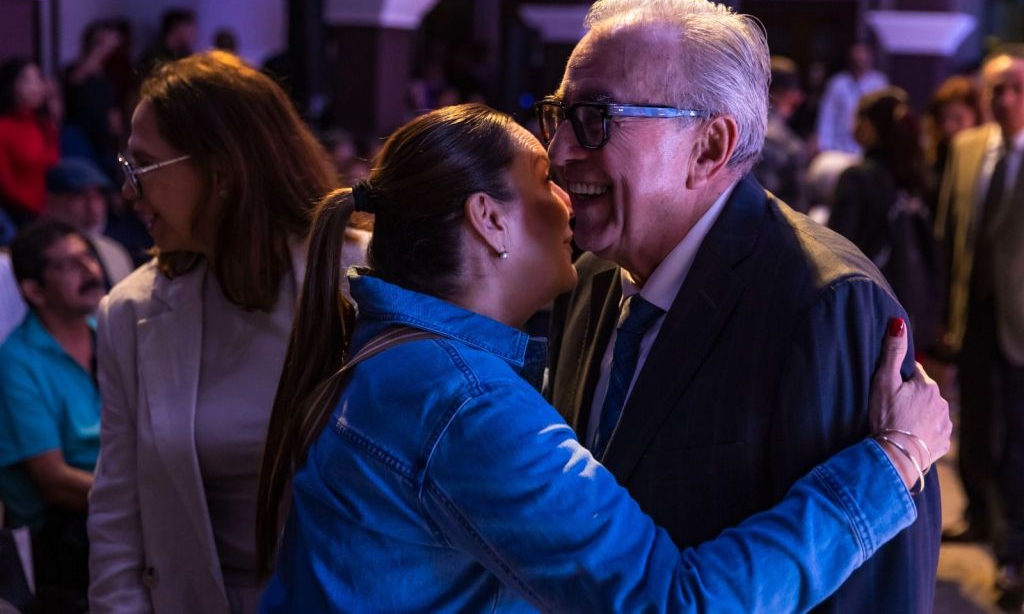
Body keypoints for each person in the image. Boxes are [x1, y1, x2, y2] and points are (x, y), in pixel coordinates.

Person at [256, 103, 949, 612]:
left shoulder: (404, 362)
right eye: (543, 179)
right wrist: (893, 461)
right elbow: (673, 604)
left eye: (595, 121)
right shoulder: (464, 403)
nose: (567, 189)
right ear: (489, 220)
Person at [540, 0, 940, 613]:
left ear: (708, 147)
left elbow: (868, 592)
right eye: (559, 115)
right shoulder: (589, 278)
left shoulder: (824, 305)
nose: (559, 151)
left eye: (595, 117)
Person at [87, 51, 338, 614]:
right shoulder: (129, 311)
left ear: (223, 171)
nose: (128, 191)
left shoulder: (356, 279)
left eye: (143, 167)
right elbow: (116, 520)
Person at [935, 44, 1024, 610]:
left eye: (1016, 88)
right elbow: (948, 236)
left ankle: (1013, 549)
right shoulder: (967, 149)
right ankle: (981, 517)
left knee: (1018, 438)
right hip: (973, 317)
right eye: (996, 89)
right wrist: (945, 313)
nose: (1006, 99)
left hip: (1021, 323)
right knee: (971, 429)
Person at [0, 220, 105, 613]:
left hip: (117, 506)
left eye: (88, 256)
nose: (89, 269)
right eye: (68, 265)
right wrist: (143, 498)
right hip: (65, 538)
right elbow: (53, 481)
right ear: (34, 291)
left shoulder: (109, 333)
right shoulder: (16, 362)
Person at [829, 87, 941, 351]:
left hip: (864, 304)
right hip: (909, 308)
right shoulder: (918, 178)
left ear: (869, 126)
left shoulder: (858, 178)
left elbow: (836, 248)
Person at [45, 157, 135, 287]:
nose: (92, 206)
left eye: (98, 196)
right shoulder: (42, 256)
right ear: (53, 202)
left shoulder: (115, 251)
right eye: (79, 196)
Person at [0, 59, 61, 226]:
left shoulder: (46, 125)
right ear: (11, 86)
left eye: (38, 79)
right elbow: (6, 185)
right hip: (17, 215)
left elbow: (53, 168)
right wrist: (37, 210)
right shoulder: (3, 128)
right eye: (27, 80)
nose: (36, 87)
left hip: (50, 210)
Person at [63, 21, 124, 173]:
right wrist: (101, 46)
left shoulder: (107, 77)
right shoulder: (75, 71)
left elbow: (113, 115)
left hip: (104, 145)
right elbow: (76, 79)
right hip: (79, 142)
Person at [756, 55, 809, 212]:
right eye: (796, 90)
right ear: (779, 93)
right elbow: (798, 210)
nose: (800, 98)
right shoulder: (790, 146)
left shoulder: (732, 131)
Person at [816, 42, 889, 153]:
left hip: (867, 149)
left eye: (862, 60)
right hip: (839, 147)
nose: (859, 64)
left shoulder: (879, 83)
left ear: (870, 60)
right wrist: (824, 145)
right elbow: (828, 115)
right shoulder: (838, 83)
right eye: (856, 61)